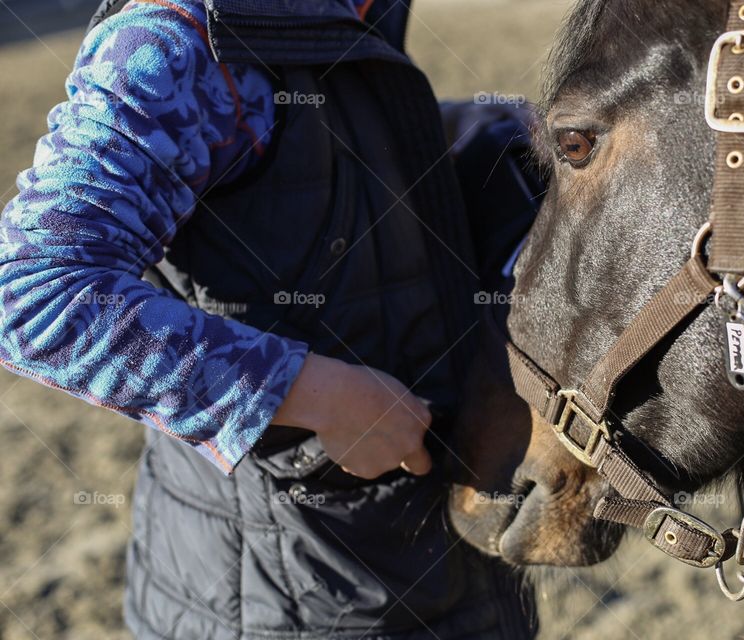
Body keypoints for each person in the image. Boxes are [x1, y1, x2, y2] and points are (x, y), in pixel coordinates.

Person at [0, 0, 539, 637]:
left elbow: (291, 156)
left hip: (437, 573)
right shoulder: (177, 46)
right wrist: (312, 392)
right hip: (280, 599)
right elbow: (35, 295)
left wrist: (435, 133)